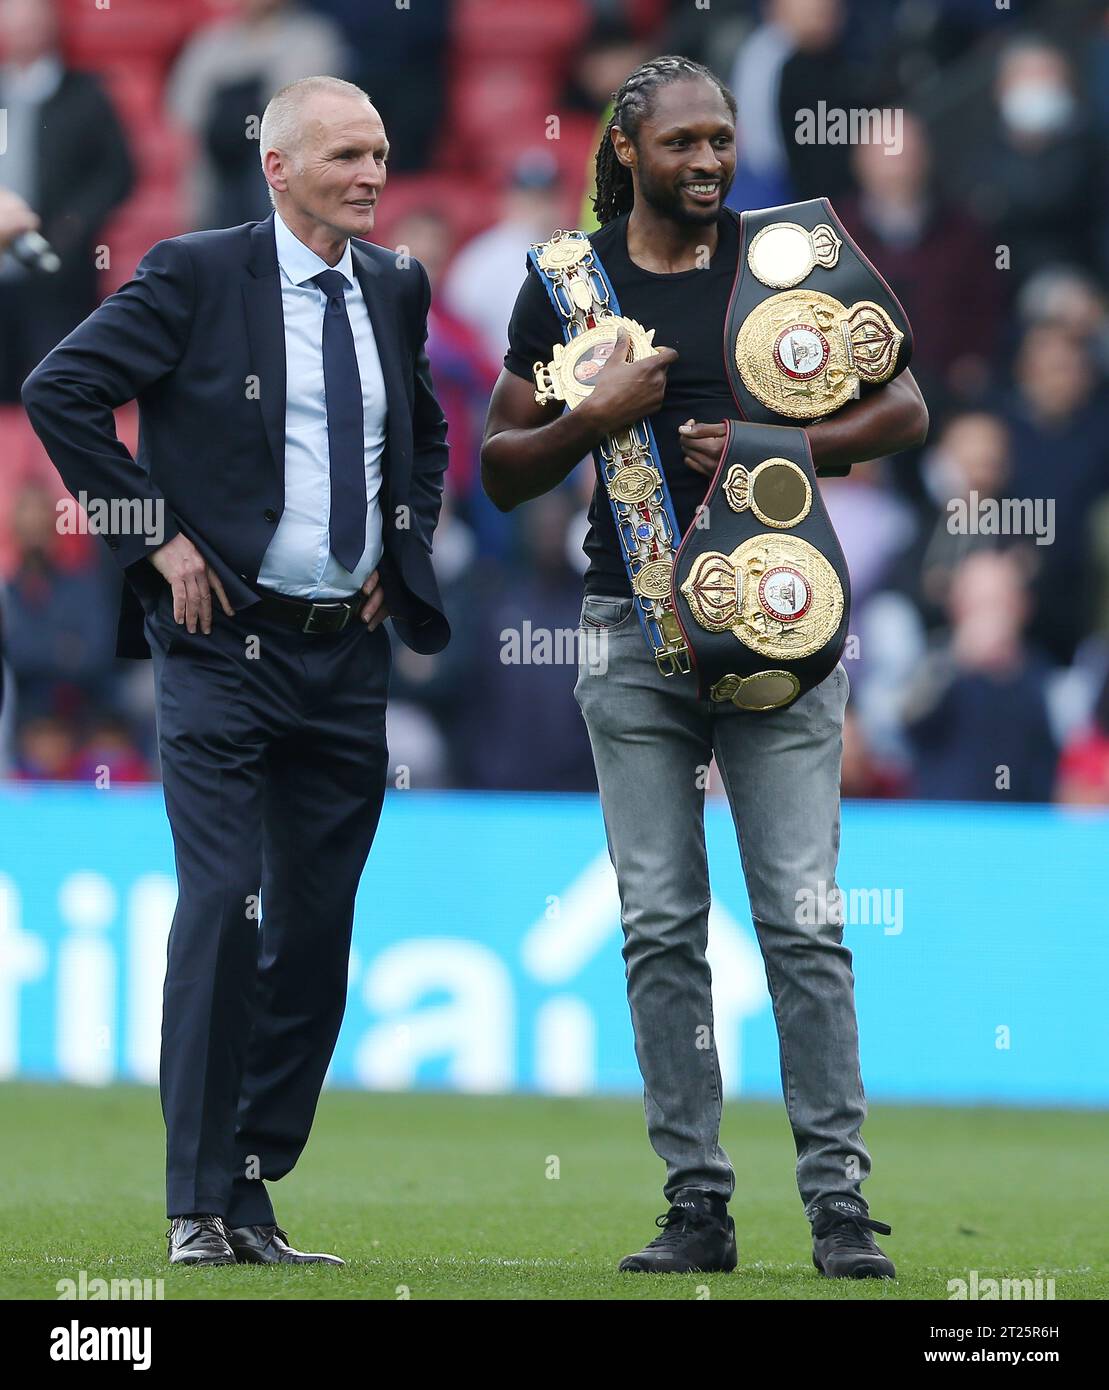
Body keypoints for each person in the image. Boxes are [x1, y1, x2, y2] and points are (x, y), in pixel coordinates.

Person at [482, 55, 928, 1278]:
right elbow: (499, 463)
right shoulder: (566, 285)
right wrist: (593, 412)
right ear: (626, 151)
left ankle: (837, 1205)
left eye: (720, 140)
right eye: (682, 143)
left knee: (799, 917)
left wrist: (778, 439)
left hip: (784, 636)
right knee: (659, 926)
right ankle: (697, 1203)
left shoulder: (789, 255)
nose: (708, 162)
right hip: (629, 633)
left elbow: (904, 412)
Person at [22, 74, 450, 1267]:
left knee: (313, 935)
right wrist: (152, 534)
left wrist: (399, 551)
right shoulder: (195, 273)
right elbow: (61, 390)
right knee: (222, 906)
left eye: (379, 152)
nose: (372, 174)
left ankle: (251, 1192)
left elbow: (423, 432)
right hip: (220, 650)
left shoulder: (396, 285)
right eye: (347, 156)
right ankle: (192, 1204)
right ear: (277, 165)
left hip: (344, 655)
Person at [0, 0, 133, 401]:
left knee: (55, 387)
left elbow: (117, 172)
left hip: (59, 268)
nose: (22, 32)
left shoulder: (85, 92)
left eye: (31, 23)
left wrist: (72, 227)